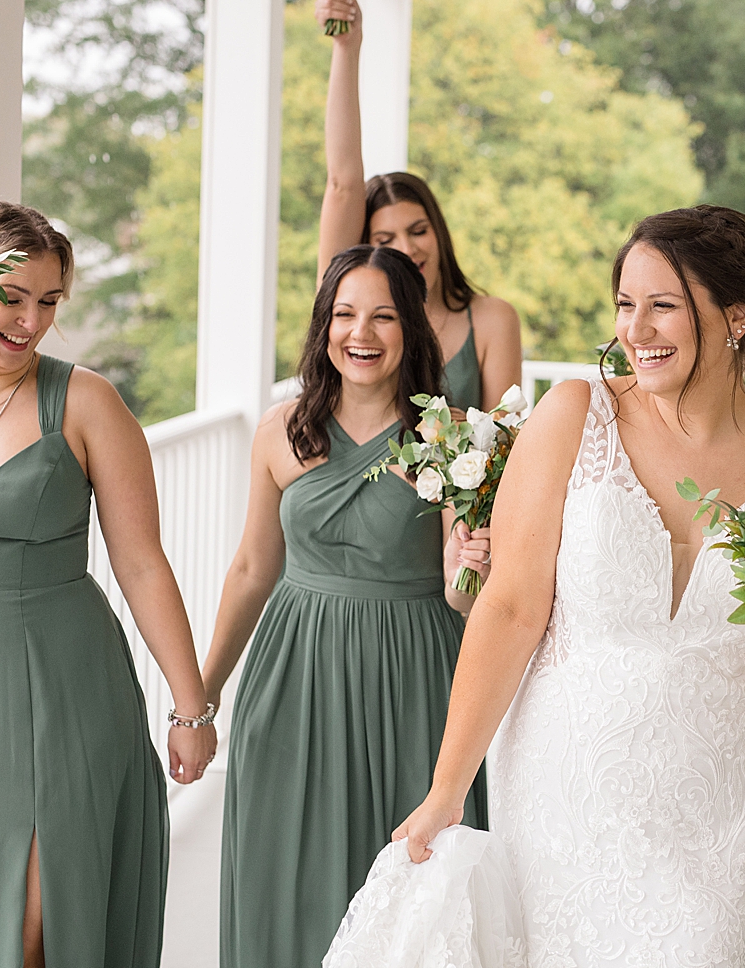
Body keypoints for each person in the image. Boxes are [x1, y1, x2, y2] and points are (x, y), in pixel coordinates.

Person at [388, 205, 745, 965]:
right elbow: (507, 609)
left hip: (724, 793)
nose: (636, 330)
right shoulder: (575, 414)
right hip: (564, 779)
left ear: (735, 318)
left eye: (663, 306)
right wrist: (448, 787)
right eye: (626, 305)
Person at [0, 202, 215, 967]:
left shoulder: (86, 401)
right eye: (10, 297)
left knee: (42, 924)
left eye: (48, 301)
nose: (29, 321)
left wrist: (191, 707)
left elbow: (142, 562)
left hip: (62, 693)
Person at [202, 245, 490, 967]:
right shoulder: (281, 428)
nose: (361, 334)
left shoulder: (448, 434)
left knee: (406, 892)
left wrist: (470, 568)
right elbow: (249, 569)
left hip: (415, 675)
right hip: (295, 677)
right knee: (286, 877)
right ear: (324, 325)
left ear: (412, 328)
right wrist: (198, 699)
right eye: (345, 314)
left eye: (384, 316)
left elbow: (460, 593)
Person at [314, 0, 522, 413]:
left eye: (418, 229)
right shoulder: (348, 312)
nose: (406, 249)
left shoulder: (492, 320)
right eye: (384, 241)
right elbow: (342, 182)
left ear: (439, 230)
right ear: (364, 250)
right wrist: (346, 46)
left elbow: (507, 447)